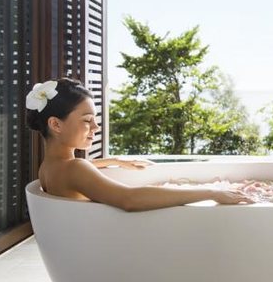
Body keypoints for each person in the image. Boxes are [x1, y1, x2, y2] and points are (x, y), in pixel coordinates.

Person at [26, 78, 253, 211]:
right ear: (56, 124)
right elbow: (129, 199)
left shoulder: (49, 168)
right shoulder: (75, 169)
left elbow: (81, 170)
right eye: (87, 120)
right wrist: (211, 192)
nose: (96, 127)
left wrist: (115, 161)